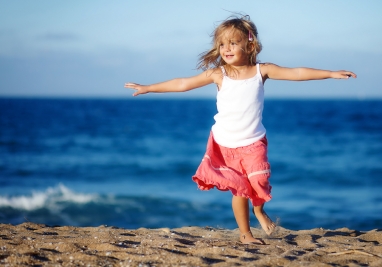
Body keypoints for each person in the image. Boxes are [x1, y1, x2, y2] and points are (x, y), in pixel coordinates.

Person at [124, 15, 356, 245]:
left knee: (260, 182)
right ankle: (245, 234)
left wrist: (331, 73)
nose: (226, 49)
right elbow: (183, 84)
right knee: (240, 190)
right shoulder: (218, 74)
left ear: (250, 44)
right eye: (222, 44)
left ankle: (259, 210)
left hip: (253, 141)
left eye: (233, 43)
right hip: (225, 143)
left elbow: (296, 73)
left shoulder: (261, 71)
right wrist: (148, 88)